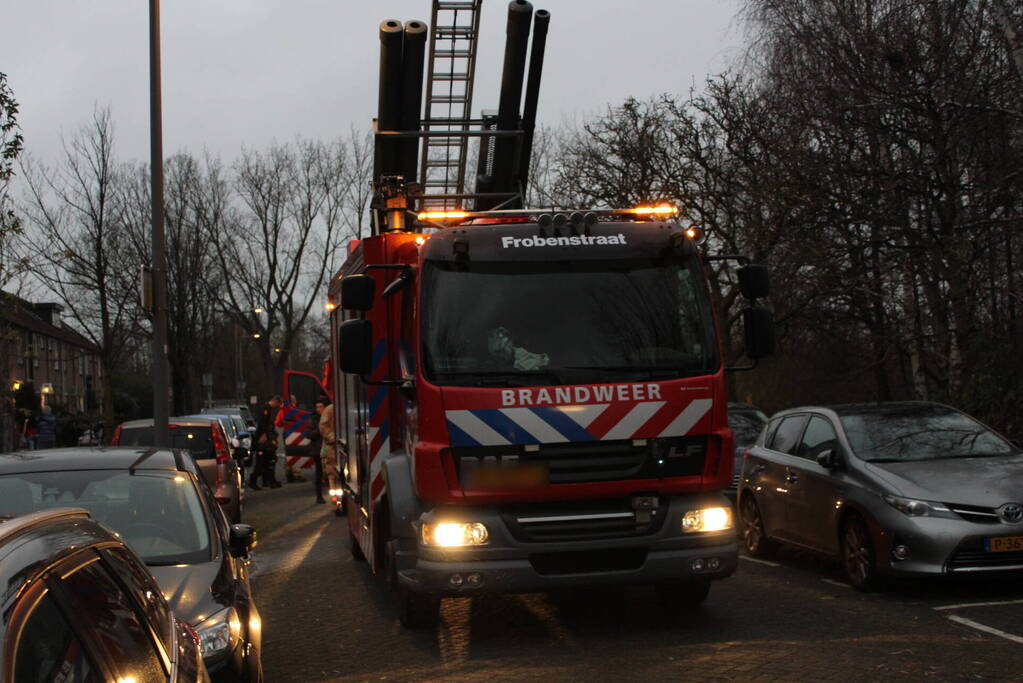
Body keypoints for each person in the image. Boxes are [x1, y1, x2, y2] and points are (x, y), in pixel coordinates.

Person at [249, 395, 282, 490]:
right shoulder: (266, 409)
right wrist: (264, 435)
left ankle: (269, 480)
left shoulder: (269, 409)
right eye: (278, 404)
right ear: (276, 402)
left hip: (268, 440)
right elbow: (263, 424)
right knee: (263, 462)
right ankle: (255, 481)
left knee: (269, 461)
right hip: (264, 442)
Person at [302, 397, 329, 504]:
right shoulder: (313, 420)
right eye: (317, 407)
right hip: (317, 450)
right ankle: (319, 496)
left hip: (329, 449)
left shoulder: (330, 418)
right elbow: (307, 433)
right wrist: (318, 430)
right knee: (319, 473)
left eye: (320, 407)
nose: (318, 409)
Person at [319, 398, 339, 509]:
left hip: (337, 449)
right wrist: (332, 438)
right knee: (332, 475)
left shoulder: (331, 409)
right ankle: (335, 503)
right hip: (331, 450)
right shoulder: (330, 410)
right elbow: (323, 426)